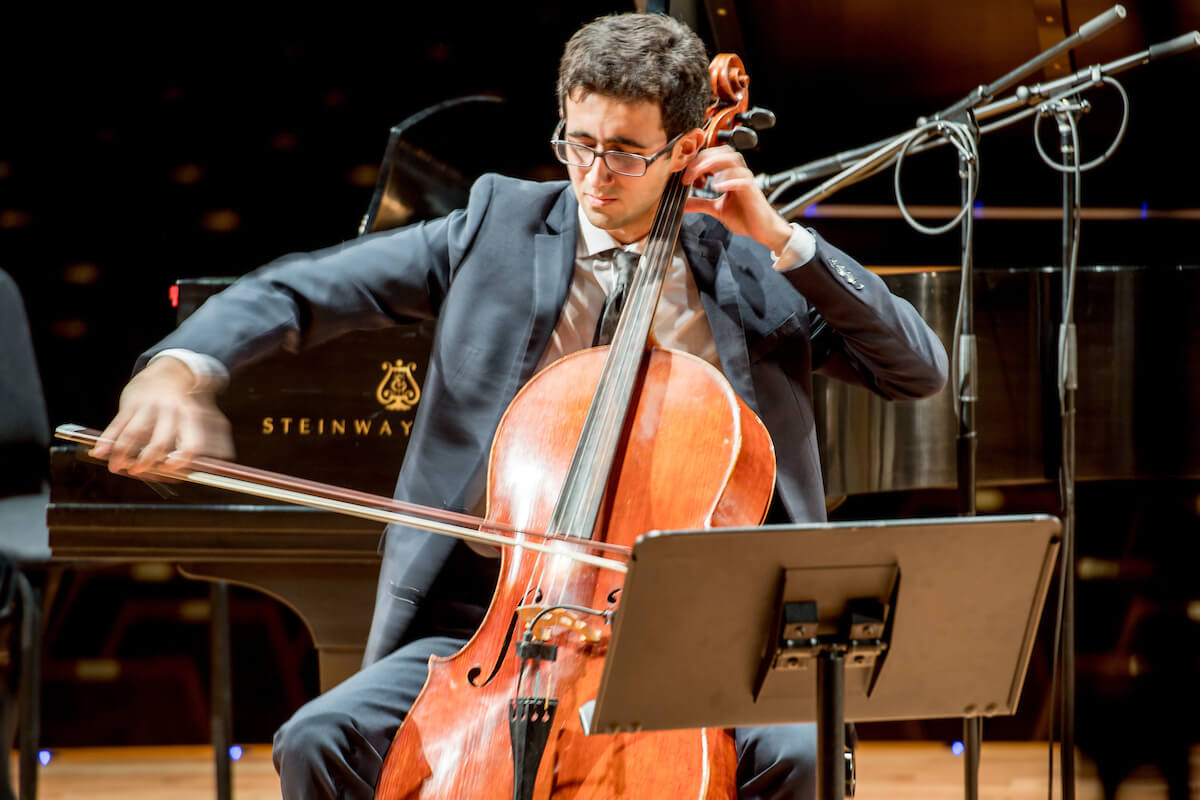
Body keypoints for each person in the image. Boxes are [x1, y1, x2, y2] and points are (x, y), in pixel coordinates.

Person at [95, 12, 947, 799]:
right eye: (578, 142)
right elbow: (302, 288)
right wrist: (180, 365)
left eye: (625, 151)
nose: (594, 174)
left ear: (689, 148)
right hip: (490, 624)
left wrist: (786, 240)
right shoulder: (496, 227)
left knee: (797, 757)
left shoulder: (754, 268)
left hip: (711, 638)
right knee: (318, 739)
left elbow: (916, 370)